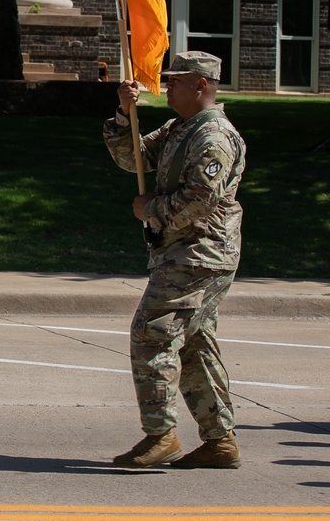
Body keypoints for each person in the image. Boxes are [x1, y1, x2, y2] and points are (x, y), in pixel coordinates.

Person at [104, 51, 246, 469]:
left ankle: (161, 435)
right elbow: (133, 158)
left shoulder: (213, 137)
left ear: (200, 85)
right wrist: (123, 112)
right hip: (183, 252)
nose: (167, 87)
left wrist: (150, 210)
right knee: (195, 347)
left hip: (200, 254)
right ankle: (220, 441)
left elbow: (201, 201)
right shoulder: (179, 129)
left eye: (176, 81)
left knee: (151, 335)